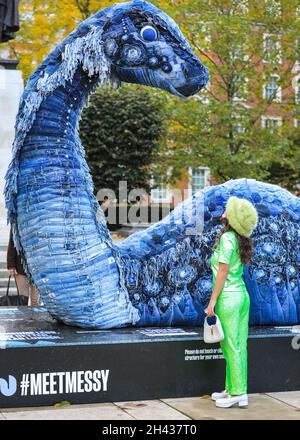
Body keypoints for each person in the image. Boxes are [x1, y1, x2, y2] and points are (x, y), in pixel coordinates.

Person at [205, 196, 258, 409]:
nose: (224, 209)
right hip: (242, 296)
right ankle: (233, 388)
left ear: (232, 217)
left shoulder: (227, 239)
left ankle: (237, 393)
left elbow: (223, 272)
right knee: (238, 346)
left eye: (228, 208)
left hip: (228, 297)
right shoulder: (237, 238)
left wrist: (212, 301)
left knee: (231, 347)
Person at [7, 227, 40, 306]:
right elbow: (12, 243)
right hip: (20, 267)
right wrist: (11, 265)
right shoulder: (17, 220)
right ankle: (24, 318)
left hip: (36, 268)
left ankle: (34, 318)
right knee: (23, 300)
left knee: (35, 302)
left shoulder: (38, 220)